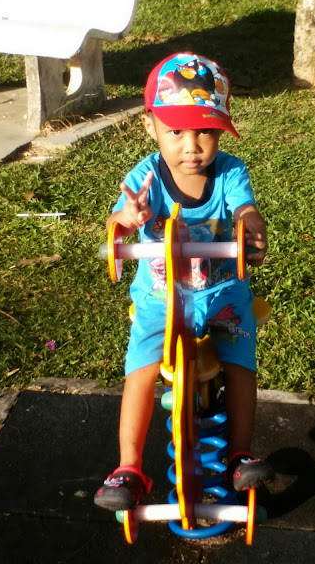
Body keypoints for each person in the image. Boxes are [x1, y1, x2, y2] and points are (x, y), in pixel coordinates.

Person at [94, 52, 272, 511]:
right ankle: (128, 467)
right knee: (141, 368)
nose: (191, 146)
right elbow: (117, 224)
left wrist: (251, 223)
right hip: (160, 297)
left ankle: (239, 453)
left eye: (205, 132)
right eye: (176, 132)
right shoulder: (145, 177)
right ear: (150, 125)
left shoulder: (229, 172)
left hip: (221, 293)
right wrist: (128, 217)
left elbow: (245, 208)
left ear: (222, 131)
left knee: (240, 361)